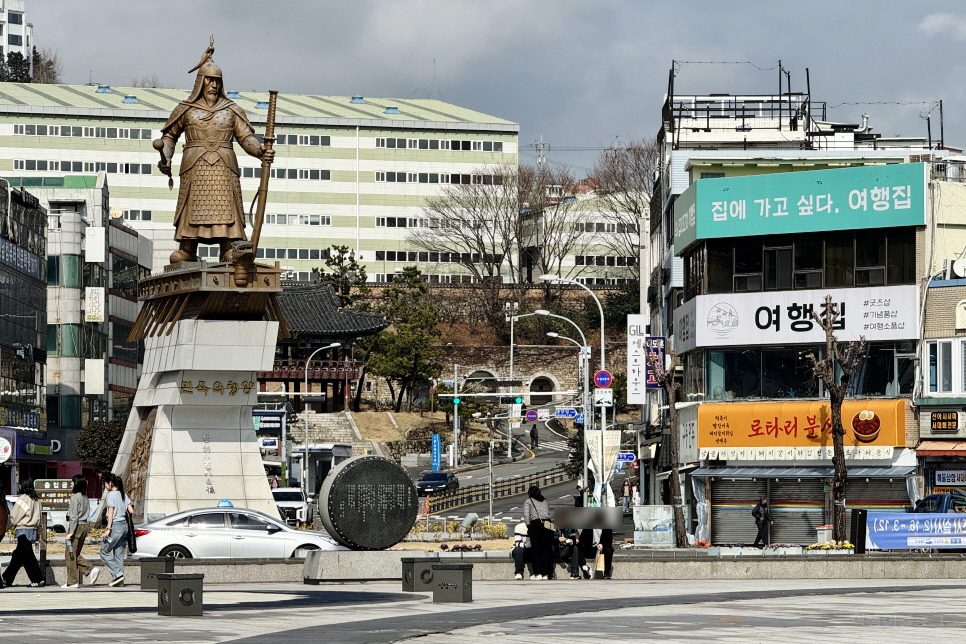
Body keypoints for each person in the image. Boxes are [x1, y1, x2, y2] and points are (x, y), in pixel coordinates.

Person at [156, 39, 275, 264]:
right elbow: (169, 136)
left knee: (226, 209)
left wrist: (260, 151)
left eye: (217, 81)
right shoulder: (186, 109)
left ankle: (229, 248)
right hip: (195, 166)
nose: (213, 85)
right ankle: (188, 249)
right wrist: (167, 156)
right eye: (209, 80)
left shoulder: (231, 110)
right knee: (193, 209)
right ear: (200, 81)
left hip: (224, 166)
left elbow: (245, 137)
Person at [1, 479, 45, 587]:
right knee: (18, 555)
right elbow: (40, 518)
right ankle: (7, 578)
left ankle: (37, 579)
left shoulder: (23, 498)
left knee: (27, 556)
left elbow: (14, 516)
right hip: (33, 530)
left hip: (23, 529)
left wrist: (5, 528)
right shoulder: (36, 499)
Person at [63, 475, 98, 588]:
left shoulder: (74, 498)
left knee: (70, 554)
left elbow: (73, 517)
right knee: (75, 553)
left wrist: (71, 532)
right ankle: (89, 570)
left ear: (76, 483)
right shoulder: (85, 497)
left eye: (72, 482)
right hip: (84, 526)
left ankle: (73, 581)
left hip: (77, 527)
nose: (71, 484)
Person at [99, 474, 133, 587]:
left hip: (115, 526)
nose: (105, 486)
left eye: (105, 483)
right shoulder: (123, 494)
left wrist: (108, 528)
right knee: (119, 553)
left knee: (104, 551)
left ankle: (118, 574)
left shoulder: (111, 495)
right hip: (124, 527)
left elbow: (110, 512)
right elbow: (131, 510)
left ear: (110, 483)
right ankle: (119, 579)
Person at [523, 485, 552, 580]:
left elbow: (527, 515)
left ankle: (537, 573)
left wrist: (528, 525)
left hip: (535, 525)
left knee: (535, 550)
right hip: (547, 525)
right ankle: (545, 574)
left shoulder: (529, 501)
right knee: (545, 550)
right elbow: (547, 513)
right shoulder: (545, 501)